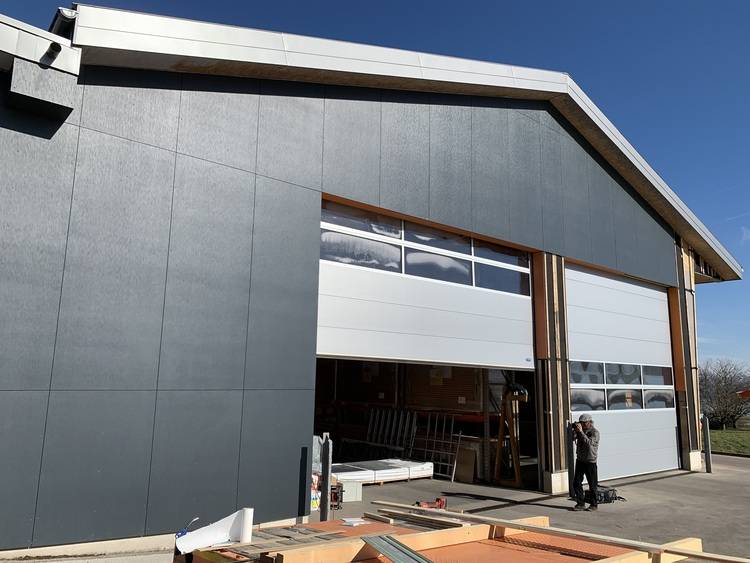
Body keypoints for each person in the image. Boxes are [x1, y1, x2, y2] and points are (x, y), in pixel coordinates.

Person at [572, 413, 600, 511]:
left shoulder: (595, 432)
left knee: (592, 484)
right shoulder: (580, 431)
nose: (582, 425)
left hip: (590, 461)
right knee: (576, 482)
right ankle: (580, 503)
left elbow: (589, 444)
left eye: (584, 423)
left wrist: (581, 432)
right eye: (581, 423)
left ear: (589, 422)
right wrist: (575, 431)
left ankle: (594, 504)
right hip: (580, 460)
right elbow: (572, 439)